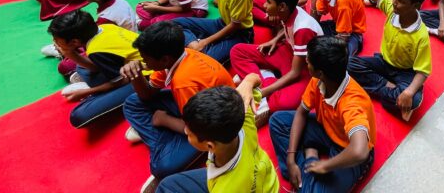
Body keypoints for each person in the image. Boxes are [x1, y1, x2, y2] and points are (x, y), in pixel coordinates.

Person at [120, 22, 235, 190]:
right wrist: (135, 76)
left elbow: (199, 130)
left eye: (145, 59)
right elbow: (147, 94)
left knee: (161, 167)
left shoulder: (183, 82)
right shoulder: (179, 56)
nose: (143, 62)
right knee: (132, 102)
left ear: (164, 58)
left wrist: (164, 120)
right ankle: (166, 143)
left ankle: (164, 142)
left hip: (214, 127)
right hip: (196, 107)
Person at [270, 37, 375, 193]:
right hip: (327, 129)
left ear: (320, 72)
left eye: (308, 61)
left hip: (348, 150)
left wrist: (324, 165)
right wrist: (291, 159)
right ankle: (301, 171)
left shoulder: (353, 102)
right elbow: (301, 112)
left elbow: (359, 151)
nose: (306, 61)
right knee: (277, 121)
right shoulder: (318, 81)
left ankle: (308, 159)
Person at [350, 0, 431, 121]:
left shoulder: (420, 34)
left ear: (416, 5)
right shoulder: (390, 8)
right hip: (384, 62)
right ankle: (387, 89)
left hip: (405, 72)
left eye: (401, 1)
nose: (394, 2)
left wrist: (409, 91)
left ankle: (388, 91)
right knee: (348, 64)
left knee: (414, 99)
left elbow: (423, 71)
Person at [155, 76, 280, 193]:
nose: (186, 131)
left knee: (166, 186)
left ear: (210, 146)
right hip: (268, 182)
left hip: (236, 184)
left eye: (190, 133)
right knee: (167, 184)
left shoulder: (224, 189)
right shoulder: (244, 121)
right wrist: (247, 83)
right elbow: (255, 77)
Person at [230, 0, 323, 126]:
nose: (265, 5)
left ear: (282, 7)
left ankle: (263, 80)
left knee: (279, 104)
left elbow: (295, 73)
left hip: (305, 68)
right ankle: (264, 77)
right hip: (288, 51)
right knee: (238, 51)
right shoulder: (290, 11)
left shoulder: (303, 29)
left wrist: (263, 93)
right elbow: (254, 3)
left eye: (268, 2)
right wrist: (275, 39)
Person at [48, 10, 140, 128]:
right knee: (81, 67)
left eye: (57, 40)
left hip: (145, 79)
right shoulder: (105, 27)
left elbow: (122, 81)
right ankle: (100, 92)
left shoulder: (96, 50)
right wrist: (68, 53)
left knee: (78, 116)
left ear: (75, 41)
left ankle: (96, 94)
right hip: (125, 70)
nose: (55, 42)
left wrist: (86, 92)